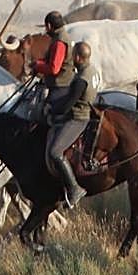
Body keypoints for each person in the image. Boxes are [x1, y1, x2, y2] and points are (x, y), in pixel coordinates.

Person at [45, 40, 95, 209]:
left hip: (78, 118)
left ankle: (74, 188)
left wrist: (52, 109)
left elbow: (68, 105)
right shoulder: (92, 70)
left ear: (79, 57)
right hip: (84, 111)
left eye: (73, 55)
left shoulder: (81, 79)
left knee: (55, 152)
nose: (71, 58)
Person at [33, 11, 73, 90]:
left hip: (60, 84)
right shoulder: (62, 35)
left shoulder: (59, 43)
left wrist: (37, 67)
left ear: (49, 25)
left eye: (46, 27)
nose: (46, 29)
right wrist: (39, 63)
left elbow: (54, 69)